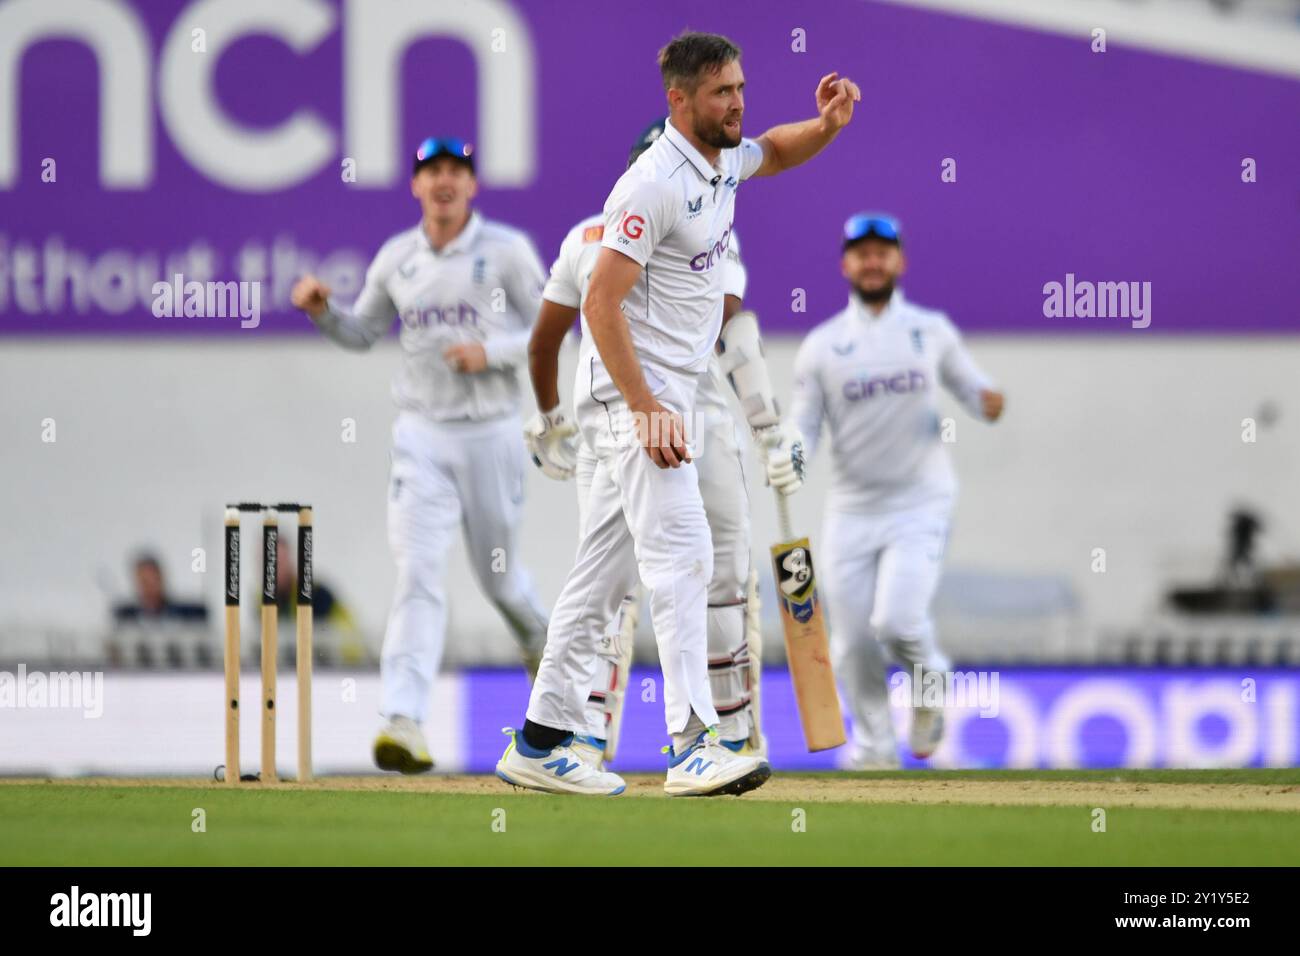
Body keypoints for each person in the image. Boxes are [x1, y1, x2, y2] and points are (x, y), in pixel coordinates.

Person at [495, 31, 859, 796]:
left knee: (598, 581)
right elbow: (598, 303)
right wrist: (646, 405)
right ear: (679, 99)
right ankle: (693, 745)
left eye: (740, 87)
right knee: (685, 556)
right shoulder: (651, 185)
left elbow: (775, 151)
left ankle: (537, 742)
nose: (739, 103)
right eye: (723, 92)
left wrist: (823, 126)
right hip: (641, 410)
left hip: (657, 404)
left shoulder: (721, 163)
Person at [522, 118, 805, 770]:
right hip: (661, 419)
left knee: (610, 580)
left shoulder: (593, 235)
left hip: (622, 421)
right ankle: (706, 743)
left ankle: (559, 738)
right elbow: (736, 333)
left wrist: (549, 419)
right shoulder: (681, 211)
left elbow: (544, 343)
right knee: (695, 568)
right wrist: (765, 428)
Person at [291, 137, 550, 774]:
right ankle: (402, 720)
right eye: (432, 170)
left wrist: (488, 354)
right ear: (415, 186)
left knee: (502, 583)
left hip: (491, 432)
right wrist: (325, 314)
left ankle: (557, 678)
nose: (443, 180)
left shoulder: (506, 251)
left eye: (456, 170)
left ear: (472, 185)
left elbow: (552, 326)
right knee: (418, 573)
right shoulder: (397, 258)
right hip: (422, 437)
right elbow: (363, 333)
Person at [789, 213, 1005, 767]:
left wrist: (988, 401)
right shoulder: (821, 345)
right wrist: (788, 457)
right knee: (854, 641)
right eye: (861, 253)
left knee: (898, 621)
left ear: (899, 261)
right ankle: (874, 748)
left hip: (920, 503)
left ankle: (930, 688)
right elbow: (804, 427)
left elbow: (972, 387)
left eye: (883, 252)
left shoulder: (931, 330)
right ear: (845, 265)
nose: (872, 261)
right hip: (852, 511)